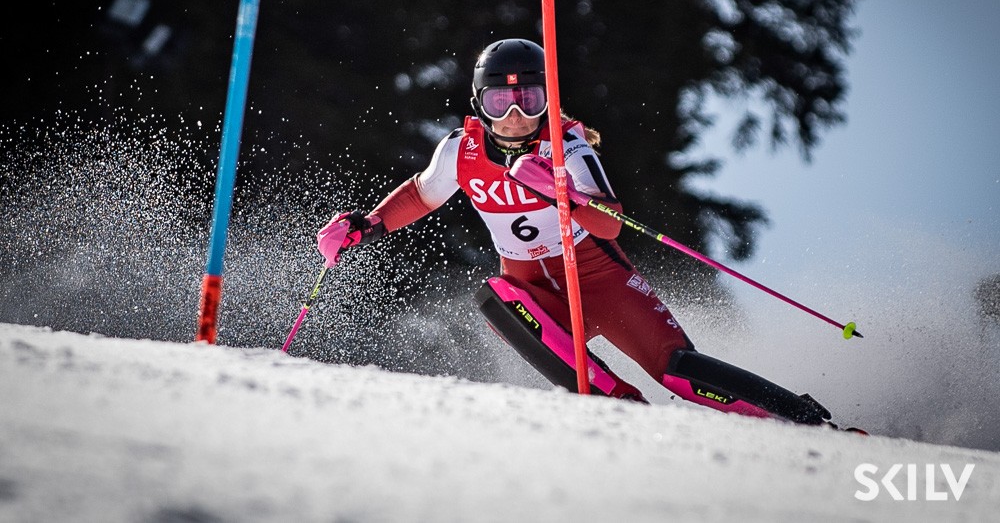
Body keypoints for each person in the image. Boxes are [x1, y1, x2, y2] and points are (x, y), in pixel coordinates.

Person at [317, 38, 832, 425]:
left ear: (548, 99)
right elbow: (421, 193)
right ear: (479, 103)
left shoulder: (568, 148)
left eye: (529, 100)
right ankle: (621, 409)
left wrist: (563, 192)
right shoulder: (460, 150)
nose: (515, 117)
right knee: (495, 296)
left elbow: (610, 223)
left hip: (599, 280)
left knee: (680, 372)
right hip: (534, 293)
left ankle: (804, 419)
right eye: (500, 103)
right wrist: (366, 225)